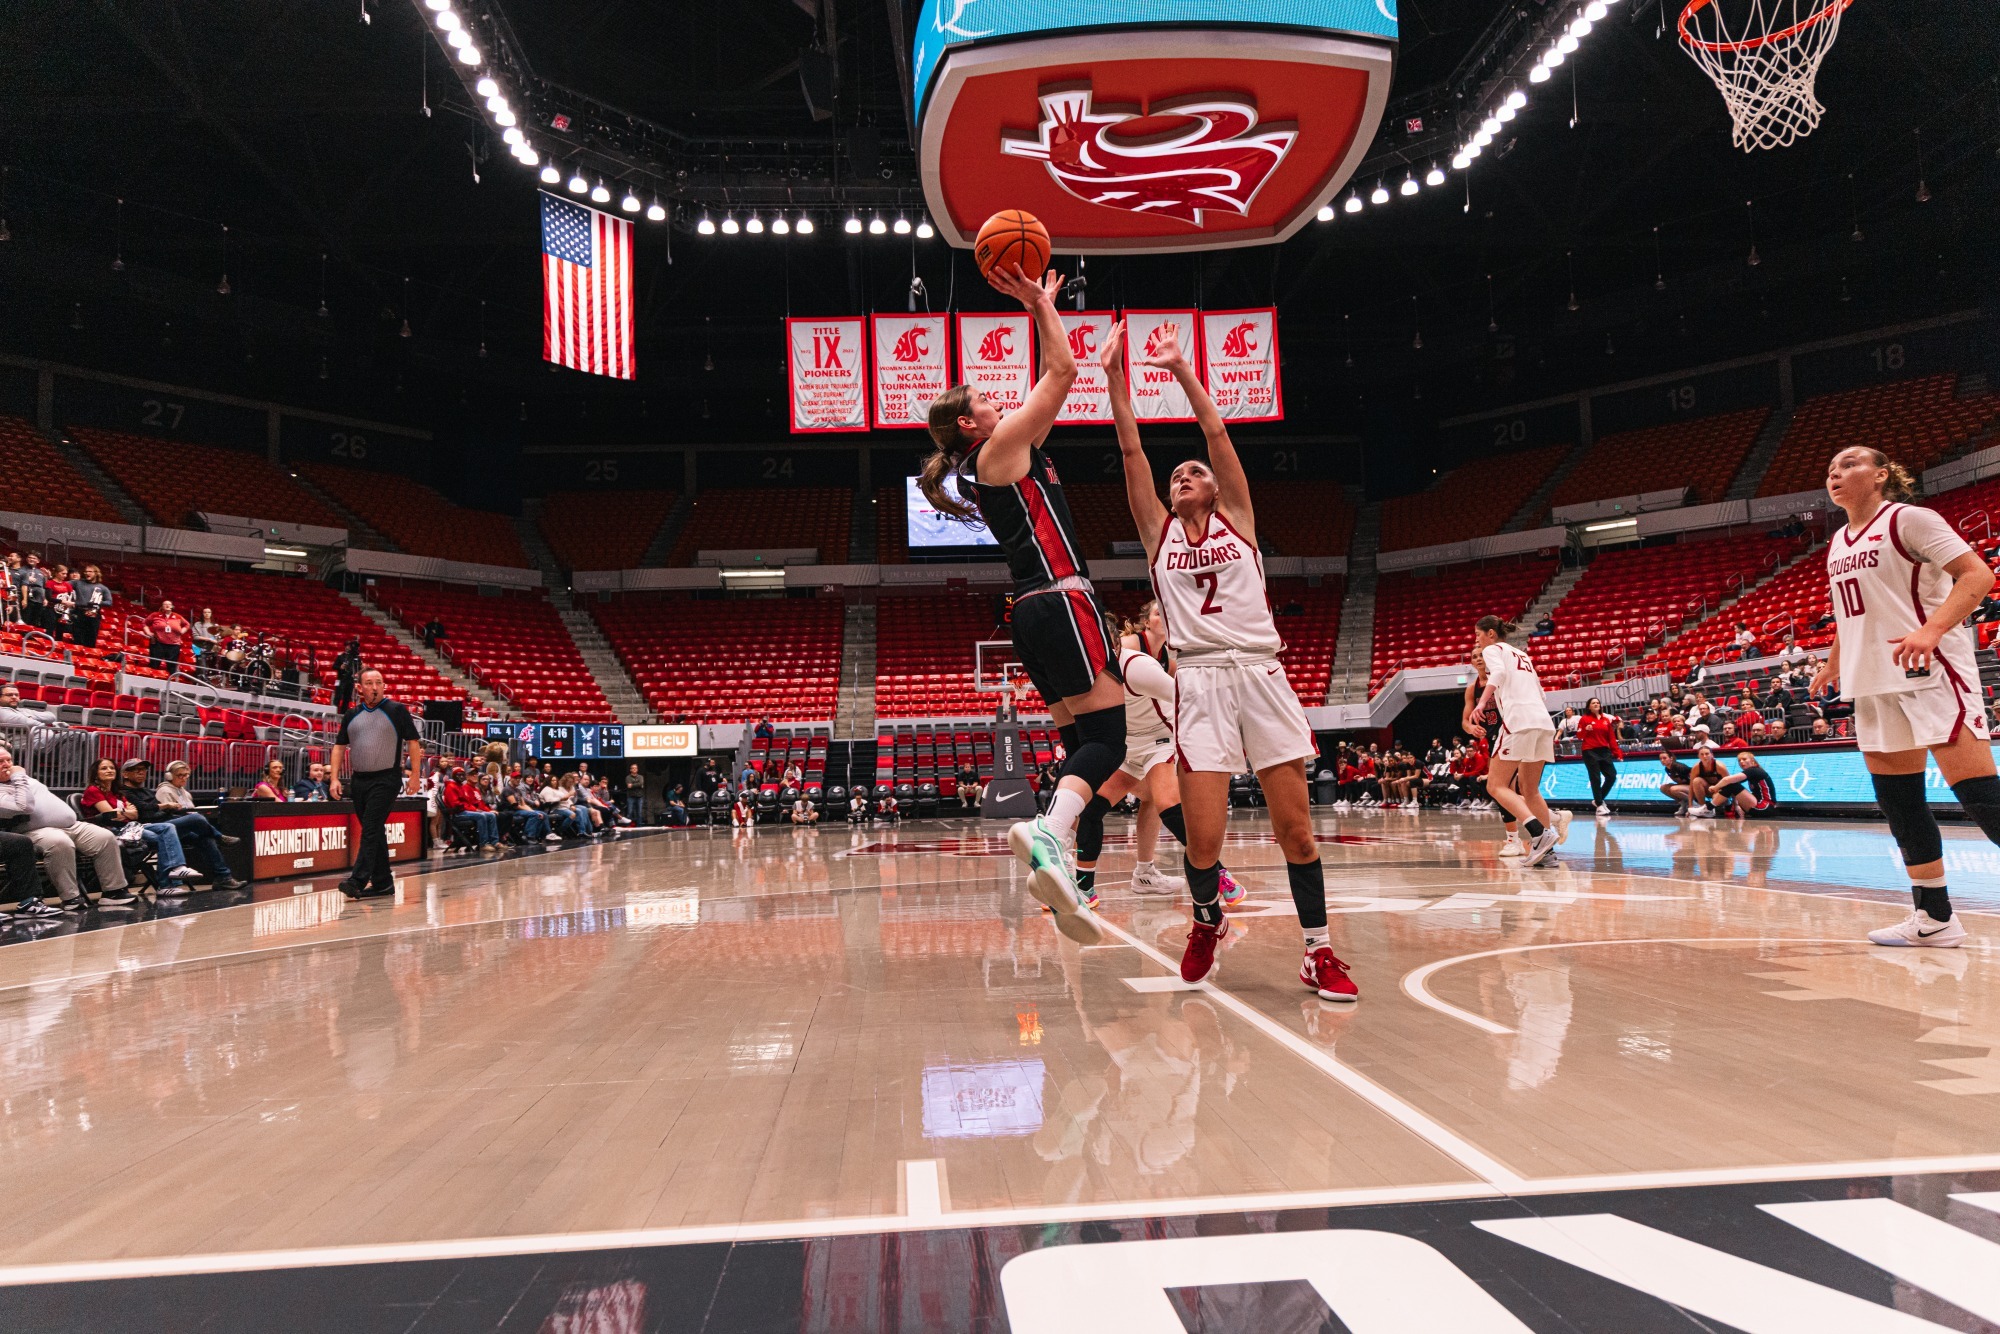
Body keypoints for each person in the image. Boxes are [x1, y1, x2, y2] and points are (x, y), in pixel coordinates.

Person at [1103, 321, 1351, 1000]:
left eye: (1195, 474)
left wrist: (1182, 369)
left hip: (1261, 674)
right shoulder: (1158, 537)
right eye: (1178, 474)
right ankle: (1206, 921)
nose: (1184, 476)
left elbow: (1217, 437)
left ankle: (1319, 951)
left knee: (1297, 831)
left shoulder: (1237, 518)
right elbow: (1131, 452)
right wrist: (1116, 380)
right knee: (1204, 844)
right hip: (1202, 680)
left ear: (1215, 490)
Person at [919, 259, 1124, 946]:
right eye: (981, 399)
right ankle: (1048, 831)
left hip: (1032, 612)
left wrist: (1040, 313)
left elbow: (1049, 383)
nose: (994, 399)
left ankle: (1060, 856)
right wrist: (1039, 303)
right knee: (1109, 741)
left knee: (1079, 746)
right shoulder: (999, 451)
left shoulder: (1002, 453)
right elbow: (1062, 375)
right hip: (1062, 601)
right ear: (972, 425)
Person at [1816, 445, 1998, 948]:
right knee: (1901, 805)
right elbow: (1852, 610)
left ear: (1881, 475)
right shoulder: (1837, 541)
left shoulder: (1911, 519)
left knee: (1983, 799)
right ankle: (1934, 918)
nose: (1836, 474)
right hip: (1872, 680)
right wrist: (1835, 660)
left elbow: (1978, 575)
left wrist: (1933, 628)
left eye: (1849, 465)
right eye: (1831, 469)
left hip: (1929, 672)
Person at [1062, 601, 1244, 906]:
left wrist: (1207, 739)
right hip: (1126, 747)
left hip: (1161, 740)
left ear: (1115, 643)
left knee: (1166, 802)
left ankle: (1219, 873)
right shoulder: (1086, 673)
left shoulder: (1137, 666)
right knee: (1091, 809)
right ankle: (1084, 887)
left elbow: (1184, 699)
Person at [1467, 616, 1563, 867]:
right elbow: (1541, 692)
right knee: (1530, 790)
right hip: (1543, 721)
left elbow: (1497, 673)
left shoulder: (1492, 649)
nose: (1476, 640)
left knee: (1495, 786)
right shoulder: (1522, 655)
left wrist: (1481, 701)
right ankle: (1548, 854)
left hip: (1518, 720)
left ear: (1489, 633)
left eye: (1478, 634)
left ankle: (1540, 834)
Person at [329, 668, 424, 900]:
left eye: (379, 682)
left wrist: (415, 775)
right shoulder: (351, 715)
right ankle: (383, 884)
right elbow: (339, 746)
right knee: (375, 831)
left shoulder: (396, 710)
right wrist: (333, 778)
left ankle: (357, 880)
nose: (374, 687)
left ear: (384, 686)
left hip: (386, 778)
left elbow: (413, 741)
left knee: (371, 827)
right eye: (369, 683)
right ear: (360, 688)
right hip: (359, 780)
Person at [0, 746, 135, 909]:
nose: (7, 765)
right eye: (1, 762)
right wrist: (19, 777)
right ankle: (71, 898)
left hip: (71, 825)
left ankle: (113, 892)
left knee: (105, 837)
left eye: (9, 760)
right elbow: (24, 806)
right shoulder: (16, 780)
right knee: (60, 843)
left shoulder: (25, 779)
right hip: (34, 831)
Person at [114, 758, 243, 891]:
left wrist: (167, 809)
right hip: (153, 828)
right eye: (136, 770)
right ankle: (219, 837)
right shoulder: (124, 792)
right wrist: (165, 806)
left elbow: (154, 808)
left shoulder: (146, 791)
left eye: (143, 770)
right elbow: (143, 809)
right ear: (125, 774)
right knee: (196, 818)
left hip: (167, 823)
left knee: (205, 837)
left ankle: (223, 877)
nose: (141, 773)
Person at [83, 756, 205, 887]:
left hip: (131, 826)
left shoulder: (116, 792)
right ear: (96, 773)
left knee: (168, 827)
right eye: (104, 768)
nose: (109, 770)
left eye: (112, 768)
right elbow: (111, 815)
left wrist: (124, 812)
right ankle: (166, 884)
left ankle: (178, 869)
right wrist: (126, 811)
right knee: (160, 837)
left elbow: (135, 815)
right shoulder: (93, 790)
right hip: (111, 830)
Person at [1576, 697, 1621, 816]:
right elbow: (1579, 735)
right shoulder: (1584, 719)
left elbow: (1611, 738)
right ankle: (1600, 805)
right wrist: (1585, 730)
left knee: (1611, 776)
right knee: (1595, 778)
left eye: (1598, 703)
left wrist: (1617, 753)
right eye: (1593, 703)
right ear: (1589, 706)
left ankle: (1598, 800)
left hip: (1604, 751)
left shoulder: (1606, 720)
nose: (1596, 704)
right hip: (1590, 750)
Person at [1703, 748, 1777, 819]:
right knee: (1731, 785)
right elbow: (1733, 789)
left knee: (1731, 784)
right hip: (1761, 806)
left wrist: (1715, 787)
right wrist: (1737, 806)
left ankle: (1708, 808)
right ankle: (1723, 807)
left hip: (1765, 807)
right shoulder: (1751, 772)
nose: (1741, 762)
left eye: (1744, 759)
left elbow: (1727, 780)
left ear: (1752, 761)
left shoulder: (1754, 770)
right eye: (1739, 760)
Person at [442, 766, 499, 851]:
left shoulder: (460, 786)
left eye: (462, 775)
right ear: (454, 776)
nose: (461, 777)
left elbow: (469, 803)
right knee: (481, 816)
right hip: (457, 814)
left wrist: (475, 809)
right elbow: (456, 805)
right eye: (459, 775)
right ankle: (484, 844)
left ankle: (495, 842)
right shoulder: (451, 787)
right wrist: (474, 810)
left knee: (491, 815)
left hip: (465, 811)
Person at [70, 564, 110, 650]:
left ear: (96, 573)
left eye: (90, 571)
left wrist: (97, 602)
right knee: (77, 639)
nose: (87, 573)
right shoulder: (78, 582)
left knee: (91, 640)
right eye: (86, 571)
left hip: (94, 614)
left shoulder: (103, 588)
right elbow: (61, 583)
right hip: (79, 613)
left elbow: (109, 602)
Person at [144, 599, 189, 672]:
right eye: (165, 604)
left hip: (174, 645)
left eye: (169, 604)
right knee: (154, 664)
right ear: (162, 606)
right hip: (158, 643)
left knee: (172, 667)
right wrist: (148, 633)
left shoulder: (177, 616)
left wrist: (182, 631)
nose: (167, 605)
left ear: (172, 606)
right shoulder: (155, 615)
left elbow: (187, 624)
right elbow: (145, 623)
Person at [1657, 749, 1694, 815]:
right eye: (1660, 759)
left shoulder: (1678, 766)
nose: (1662, 760)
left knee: (1674, 789)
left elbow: (1693, 776)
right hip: (1684, 787)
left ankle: (1694, 804)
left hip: (1693, 787)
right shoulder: (1667, 769)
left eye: (1664, 758)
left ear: (1671, 758)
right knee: (1663, 788)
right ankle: (1683, 804)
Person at [332, 640, 363, 713]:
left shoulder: (355, 658)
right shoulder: (340, 657)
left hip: (350, 680)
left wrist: (359, 669)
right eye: (347, 646)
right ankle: (334, 711)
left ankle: (343, 713)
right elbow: (334, 666)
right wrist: (340, 667)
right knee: (338, 696)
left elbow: (359, 668)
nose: (348, 647)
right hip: (341, 679)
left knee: (347, 698)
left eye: (350, 646)